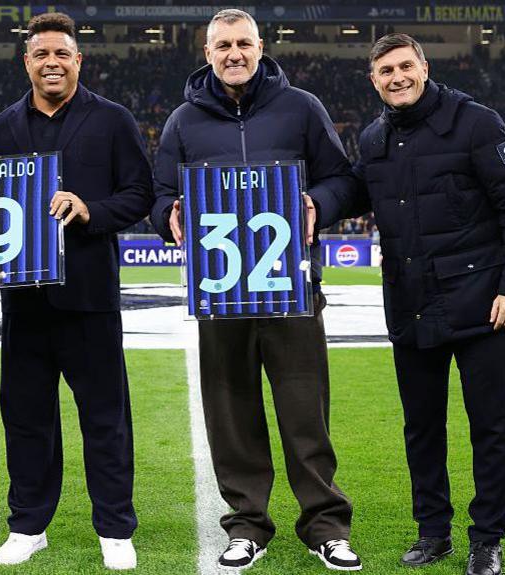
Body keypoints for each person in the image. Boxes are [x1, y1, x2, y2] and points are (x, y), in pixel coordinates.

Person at [317, 34, 505, 575]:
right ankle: (433, 532)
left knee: (490, 426)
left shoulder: (476, 123)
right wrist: (309, 202)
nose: (397, 77)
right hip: (410, 303)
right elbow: (352, 192)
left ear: (424, 67)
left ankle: (487, 539)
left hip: (480, 303)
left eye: (405, 66)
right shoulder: (374, 139)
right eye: (385, 71)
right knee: (421, 426)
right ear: (373, 81)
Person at [149, 9, 362, 572]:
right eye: (224, 46)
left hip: (292, 288)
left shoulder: (301, 108)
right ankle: (246, 526)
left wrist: (321, 203)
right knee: (230, 412)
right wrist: (166, 214)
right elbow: (159, 192)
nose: (235, 54)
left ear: (261, 47)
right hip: (219, 292)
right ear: (207, 51)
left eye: (244, 43)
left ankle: (325, 525)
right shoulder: (182, 122)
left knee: (304, 410)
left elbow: (342, 179)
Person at [0, 13, 153, 571]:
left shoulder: (113, 120)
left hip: (89, 297)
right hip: (23, 301)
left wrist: (90, 210)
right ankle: (28, 525)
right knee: (26, 417)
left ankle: (115, 528)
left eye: (62, 54)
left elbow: (141, 194)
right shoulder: (0, 128)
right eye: (40, 54)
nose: (51, 62)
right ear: (25, 61)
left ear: (79, 59)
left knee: (104, 417)